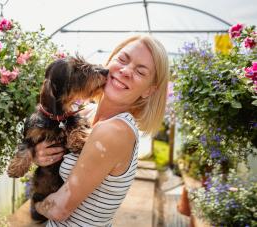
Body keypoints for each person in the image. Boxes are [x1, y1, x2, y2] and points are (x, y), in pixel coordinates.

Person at [33, 35, 169, 226]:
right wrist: (40, 156)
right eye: (122, 59)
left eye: (140, 72)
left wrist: (36, 205)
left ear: (148, 90)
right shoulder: (87, 113)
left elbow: (58, 209)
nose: (126, 71)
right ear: (111, 60)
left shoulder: (114, 131)